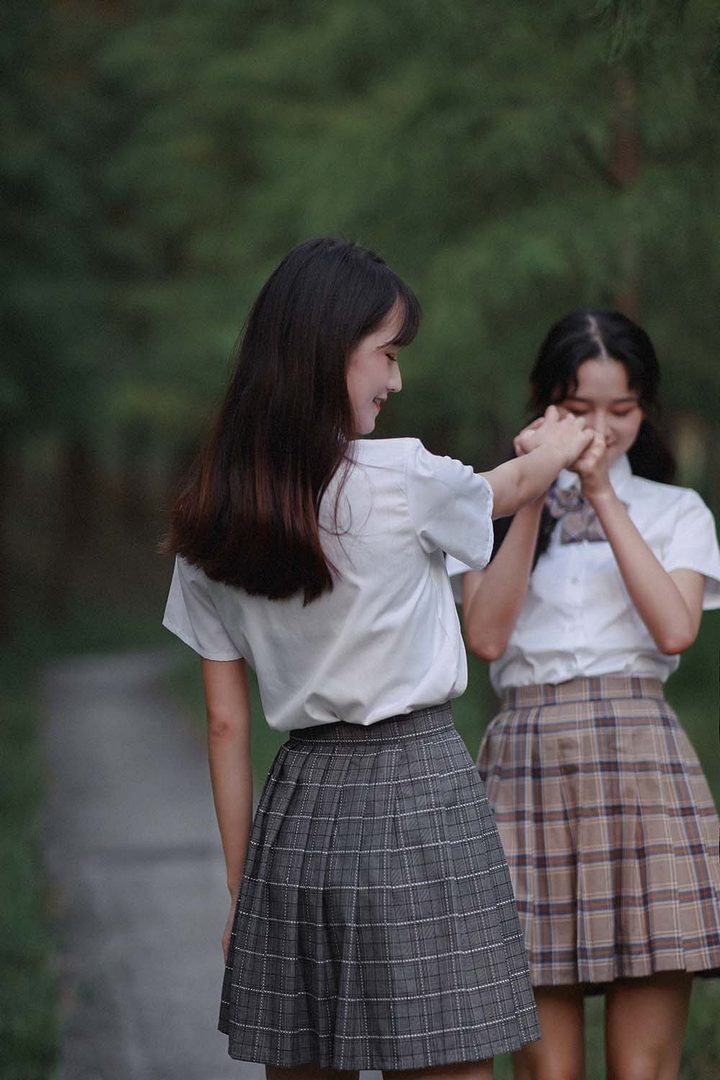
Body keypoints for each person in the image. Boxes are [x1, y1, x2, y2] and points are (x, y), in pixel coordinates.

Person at [161, 237, 594, 1080]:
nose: (395, 380)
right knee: (447, 1055)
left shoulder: (212, 514)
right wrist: (559, 444)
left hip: (299, 814)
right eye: (387, 354)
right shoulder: (402, 476)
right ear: (330, 350)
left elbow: (225, 724)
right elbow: (505, 489)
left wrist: (245, 889)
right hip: (422, 794)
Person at [451, 309, 720, 1080]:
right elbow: (486, 638)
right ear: (543, 406)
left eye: (621, 410)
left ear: (646, 410)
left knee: (642, 1069)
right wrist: (535, 490)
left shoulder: (676, 510)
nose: (600, 429)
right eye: (577, 410)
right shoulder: (487, 512)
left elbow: (675, 628)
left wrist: (601, 493)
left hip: (642, 762)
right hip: (525, 763)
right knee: (548, 1070)